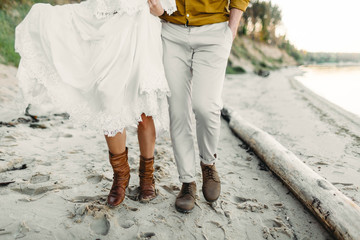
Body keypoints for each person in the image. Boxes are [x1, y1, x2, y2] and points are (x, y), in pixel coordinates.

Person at [15, 0, 176, 207]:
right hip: (112, 29)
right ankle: (121, 176)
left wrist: (161, 11)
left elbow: (168, 7)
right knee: (108, 101)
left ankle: (147, 177)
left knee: (144, 110)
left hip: (145, 29)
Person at [160, 0, 249, 213]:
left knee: (205, 106)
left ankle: (208, 164)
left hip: (214, 30)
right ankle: (187, 181)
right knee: (178, 109)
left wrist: (232, 28)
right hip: (171, 30)